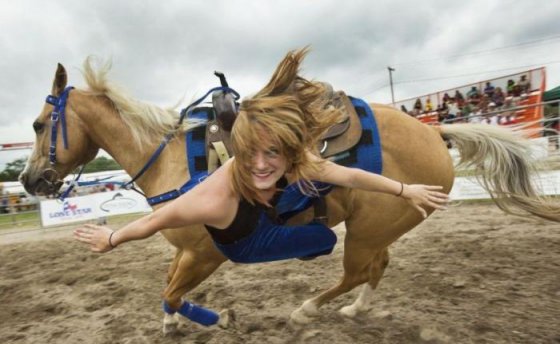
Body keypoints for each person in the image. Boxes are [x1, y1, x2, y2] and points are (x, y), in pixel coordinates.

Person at [74, 51, 449, 262]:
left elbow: (349, 176)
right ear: (240, 151)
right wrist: (112, 238)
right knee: (324, 238)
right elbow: (154, 222)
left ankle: (283, 202)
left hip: (269, 202)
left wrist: (405, 190)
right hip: (248, 241)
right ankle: (289, 219)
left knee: (318, 177)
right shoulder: (214, 198)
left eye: (274, 152)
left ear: (286, 151)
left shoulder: (294, 161)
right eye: (252, 153)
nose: (261, 164)